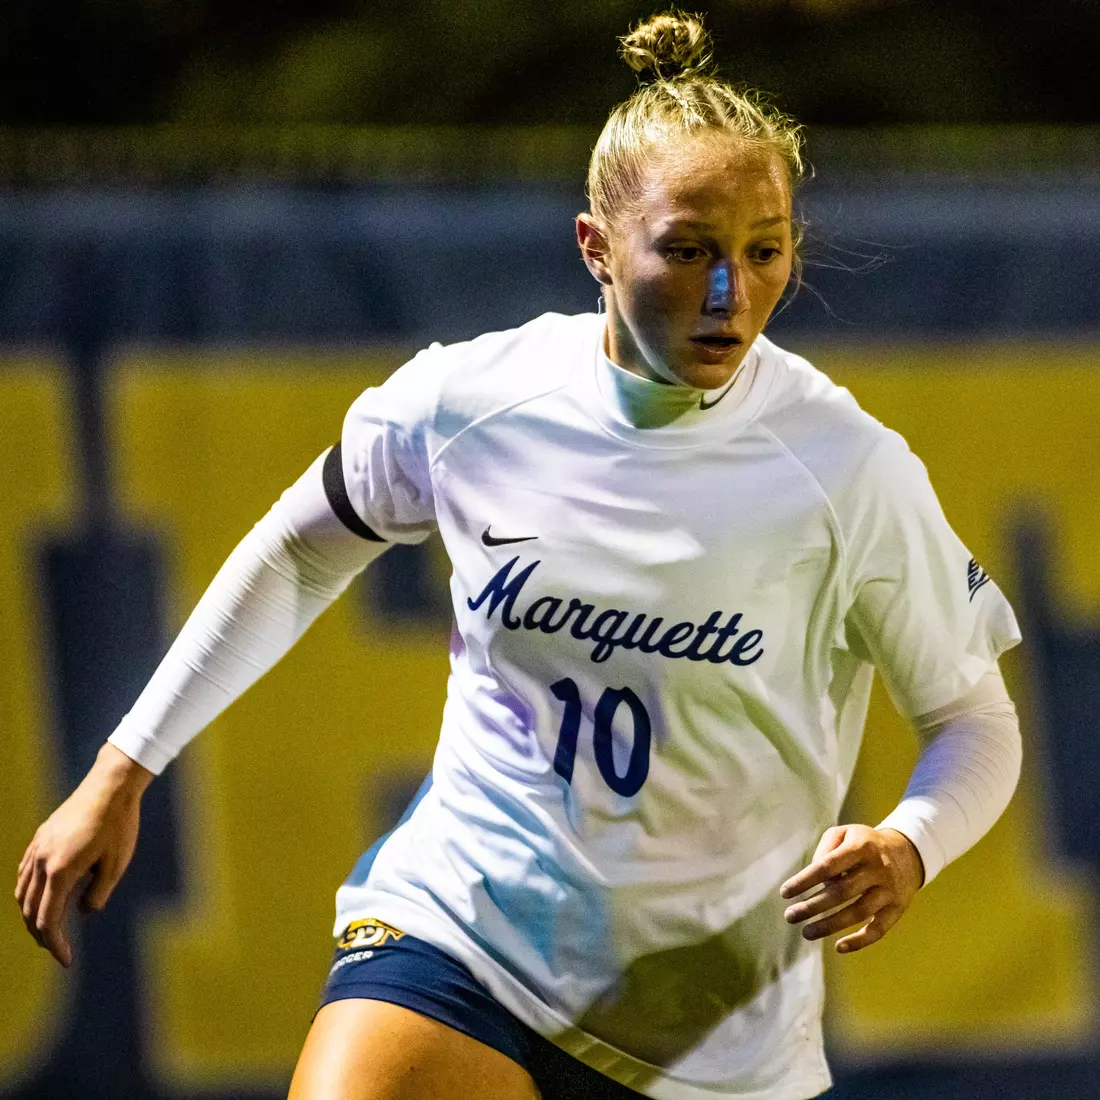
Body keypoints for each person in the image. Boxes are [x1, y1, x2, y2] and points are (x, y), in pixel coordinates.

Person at [15, 11, 1024, 1100]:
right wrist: (121, 770)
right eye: (686, 250)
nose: (729, 295)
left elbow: (971, 720)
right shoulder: (466, 400)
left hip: (707, 1039)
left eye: (762, 250)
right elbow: (299, 556)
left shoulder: (844, 467)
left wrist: (909, 842)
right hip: (462, 934)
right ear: (594, 246)